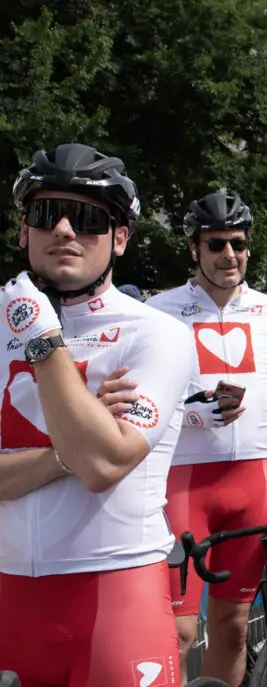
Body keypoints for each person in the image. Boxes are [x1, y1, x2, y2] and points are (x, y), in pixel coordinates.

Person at [0, 143, 194, 686]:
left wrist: (41, 340)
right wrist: (72, 448)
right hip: (10, 594)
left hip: (117, 593)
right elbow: (88, 455)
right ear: (24, 231)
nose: (64, 229)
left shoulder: (157, 333)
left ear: (120, 238)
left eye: (86, 219)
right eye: (47, 214)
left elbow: (104, 465)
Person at [145, 191, 267, 685]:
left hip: (250, 482)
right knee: (176, 632)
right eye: (216, 244)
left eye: (238, 243)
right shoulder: (159, 310)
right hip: (182, 483)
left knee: (234, 629)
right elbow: (141, 407)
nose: (229, 254)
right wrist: (190, 417)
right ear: (193, 248)